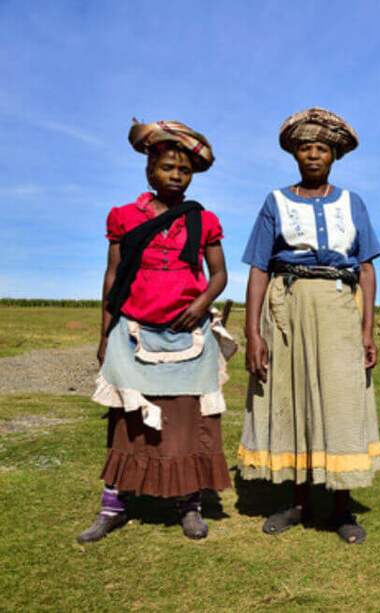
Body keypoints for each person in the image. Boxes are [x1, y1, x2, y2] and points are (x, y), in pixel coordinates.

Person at [78, 119, 231, 543]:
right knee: (128, 421)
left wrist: (200, 304)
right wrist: (105, 332)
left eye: (183, 171)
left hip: (190, 335)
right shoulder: (125, 217)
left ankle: (189, 504)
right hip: (133, 332)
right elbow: (112, 277)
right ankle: (114, 505)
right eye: (167, 167)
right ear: (150, 169)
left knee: (187, 419)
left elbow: (218, 275)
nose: (176, 176)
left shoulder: (204, 221)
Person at [238, 107, 380, 544]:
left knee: (340, 401)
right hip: (288, 305)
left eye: (322, 148)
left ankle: (341, 508)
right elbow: (259, 269)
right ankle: (297, 503)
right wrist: (253, 333)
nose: (314, 155)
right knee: (293, 396)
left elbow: (367, 268)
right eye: (306, 148)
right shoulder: (276, 202)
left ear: (334, 156)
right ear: (295, 154)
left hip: (340, 306)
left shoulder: (352, 202)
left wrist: (367, 329)